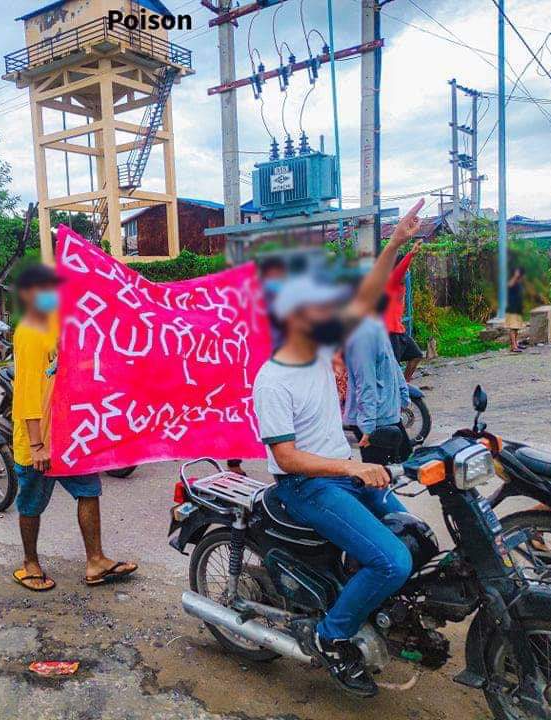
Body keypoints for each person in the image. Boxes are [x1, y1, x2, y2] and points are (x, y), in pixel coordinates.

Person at [253, 198, 424, 697]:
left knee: (415, 536)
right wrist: (352, 466)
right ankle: (332, 636)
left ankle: (379, 614)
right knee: (392, 560)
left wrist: (395, 241)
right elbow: (285, 458)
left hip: (341, 472)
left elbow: (367, 296)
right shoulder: (273, 380)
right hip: (304, 485)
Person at [10, 264, 137, 592]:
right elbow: (26, 392)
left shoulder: (63, 327)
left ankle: (96, 561)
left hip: (69, 437)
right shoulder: (29, 332)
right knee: (31, 504)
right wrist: (38, 444)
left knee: (88, 490)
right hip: (38, 440)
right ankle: (30, 563)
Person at [227, 256, 288, 477]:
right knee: (241, 414)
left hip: (264, 365)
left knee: (261, 414)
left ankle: (285, 456)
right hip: (241, 367)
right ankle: (234, 462)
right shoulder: (244, 301)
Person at [343, 296, 412, 465]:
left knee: (399, 464)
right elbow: (368, 382)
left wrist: (402, 397)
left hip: (379, 417)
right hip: (378, 417)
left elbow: (388, 369)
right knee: (378, 477)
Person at [383, 239, 423, 381]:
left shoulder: (400, 286)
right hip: (390, 333)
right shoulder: (391, 282)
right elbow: (400, 270)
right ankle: (396, 393)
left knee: (417, 355)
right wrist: (411, 254)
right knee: (391, 368)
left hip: (399, 331)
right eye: (405, 270)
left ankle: (404, 386)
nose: (407, 272)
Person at [506, 267, 526, 353]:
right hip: (512, 308)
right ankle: (513, 347)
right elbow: (509, 285)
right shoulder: (511, 281)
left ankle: (516, 344)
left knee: (516, 327)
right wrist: (515, 276)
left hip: (518, 308)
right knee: (513, 328)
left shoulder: (518, 283)